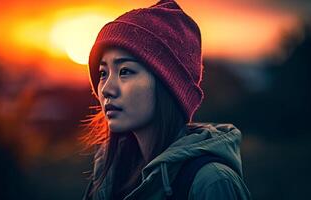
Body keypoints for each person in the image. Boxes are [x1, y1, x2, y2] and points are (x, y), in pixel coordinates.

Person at [81, 0, 251, 199]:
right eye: (103, 73)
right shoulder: (107, 176)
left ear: (168, 84)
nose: (107, 89)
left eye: (125, 71)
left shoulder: (212, 182)